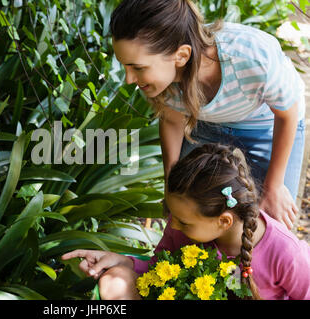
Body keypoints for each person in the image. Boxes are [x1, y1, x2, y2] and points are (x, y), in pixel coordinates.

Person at [109, 0, 306, 230]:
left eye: (137, 68)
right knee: (185, 210)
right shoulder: (159, 77)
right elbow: (172, 121)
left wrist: (274, 186)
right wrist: (171, 186)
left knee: (273, 221)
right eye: (125, 67)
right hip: (207, 123)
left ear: (181, 56)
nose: (129, 79)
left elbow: (287, 113)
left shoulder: (250, 57)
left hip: (269, 124)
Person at [61, 144, 310, 300]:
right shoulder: (182, 226)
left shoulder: (286, 253)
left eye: (183, 222)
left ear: (223, 221)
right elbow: (158, 268)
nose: (174, 226)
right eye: (173, 216)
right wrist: (121, 261)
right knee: (115, 281)